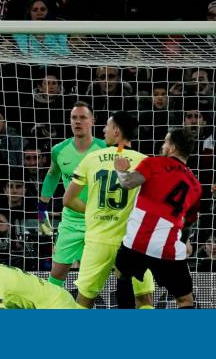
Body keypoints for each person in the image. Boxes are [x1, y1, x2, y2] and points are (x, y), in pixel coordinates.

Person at [63, 111, 155, 309]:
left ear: (116, 131)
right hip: (134, 243)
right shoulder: (146, 162)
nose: (103, 130)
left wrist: (94, 211)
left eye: (106, 125)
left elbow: (68, 200)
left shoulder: (91, 159)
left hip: (98, 241)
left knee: (84, 301)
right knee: (144, 300)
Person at [113, 128, 202, 308]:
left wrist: (120, 170)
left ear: (172, 147)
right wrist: (184, 242)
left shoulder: (154, 163)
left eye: (165, 142)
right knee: (185, 299)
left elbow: (128, 183)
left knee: (122, 275)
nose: (163, 145)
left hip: (136, 243)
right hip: (167, 249)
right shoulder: (196, 186)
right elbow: (189, 223)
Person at [38, 103, 107, 287]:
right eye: (74, 118)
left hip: (99, 219)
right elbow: (53, 175)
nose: (78, 122)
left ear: (92, 121)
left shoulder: (105, 149)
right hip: (71, 220)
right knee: (57, 273)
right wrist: (41, 207)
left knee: (94, 275)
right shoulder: (59, 150)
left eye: (83, 117)